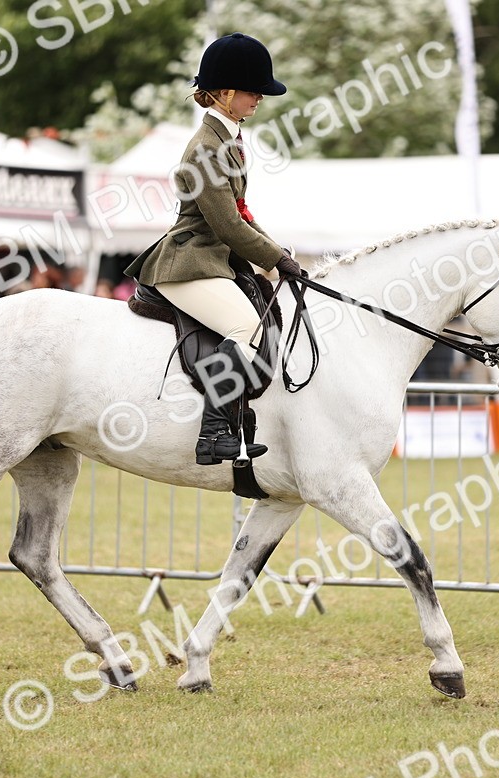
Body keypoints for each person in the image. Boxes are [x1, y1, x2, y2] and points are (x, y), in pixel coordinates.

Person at [123, 32, 302, 466]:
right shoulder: (205, 148)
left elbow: (241, 213)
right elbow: (225, 225)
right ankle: (213, 430)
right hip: (190, 260)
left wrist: (278, 252)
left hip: (214, 258)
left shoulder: (230, 140)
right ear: (224, 94)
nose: (259, 97)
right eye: (252, 90)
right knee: (247, 327)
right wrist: (275, 259)